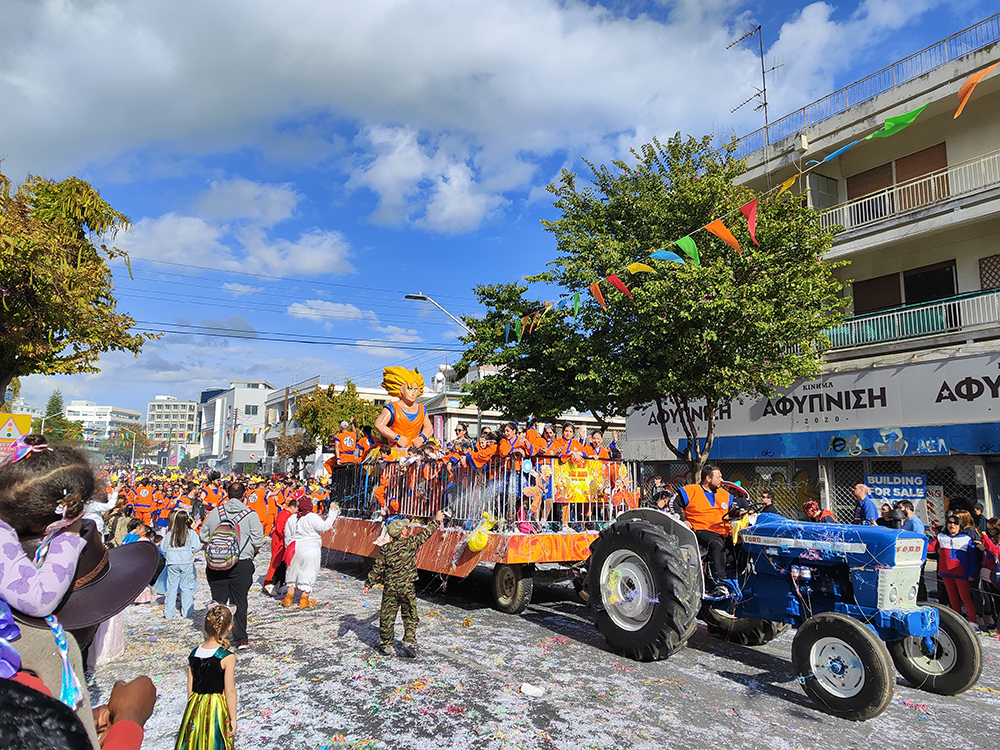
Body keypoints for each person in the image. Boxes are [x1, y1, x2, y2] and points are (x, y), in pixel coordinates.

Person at [363, 511, 445, 657]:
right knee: (410, 615)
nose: (408, 529)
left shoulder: (386, 549)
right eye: (405, 528)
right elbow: (427, 533)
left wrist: (368, 584)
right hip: (407, 587)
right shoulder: (411, 543)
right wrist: (437, 520)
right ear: (401, 533)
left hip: (390, 589)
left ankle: (387, 644)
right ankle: (409, 641)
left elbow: (377, 568)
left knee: (387, 616)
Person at [199, 482, 265, 651]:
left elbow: (203, 535)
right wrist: (251, 551)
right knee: (240, 601)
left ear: (227, 494)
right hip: (241, 562)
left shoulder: (215, 512)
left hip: (216, 563)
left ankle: (216, 637)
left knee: (218, 603)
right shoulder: (250, 514)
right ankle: (241, 639)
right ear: (244, 495)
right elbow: (258, 539)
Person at [175, 604, 237, 750]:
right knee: (215, 739)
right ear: (229, 627)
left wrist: (193, 707)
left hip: (196, 703)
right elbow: (230, 691)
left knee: (195, 741)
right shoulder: (227, 657)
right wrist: (233, 718)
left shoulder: (194, 653)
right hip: (216, 705)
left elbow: (190, 686)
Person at [672, 465, 734, 597]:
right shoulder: (691, 490)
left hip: (723, 530)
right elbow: (674, 503)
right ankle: (721, 583)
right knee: (716, 543)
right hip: (700, 529)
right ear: (708, 478)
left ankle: (736, 578)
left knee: (739, 545)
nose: (721, 480)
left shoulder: (725, 495)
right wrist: (683, 519)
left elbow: (734, 509)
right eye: (718, 477)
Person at [281, 497, 338, 609]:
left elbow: (287, 535)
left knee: (292, 572)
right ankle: (304, 600)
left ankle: (288, 598)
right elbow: (325, 526)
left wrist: (289, 547)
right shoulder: (312, 517)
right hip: (311, 548)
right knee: (308, 571)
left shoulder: (292, 518)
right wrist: (333, 513)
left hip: (294, 547)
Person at [928, 513, 980, 629]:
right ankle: (958, 619)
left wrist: (972, 573)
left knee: (965, 597)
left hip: (961, 572)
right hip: (946, 572)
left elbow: (972, 558)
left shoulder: (966, 539)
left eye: (955, 523)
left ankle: (973, 621)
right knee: (952, 597)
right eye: (950, 523)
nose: (952, 525)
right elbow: (931, 547)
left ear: (960, 526)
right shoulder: (941, 537)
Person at [374, 366, 433, 449]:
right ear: (401, 389)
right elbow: (379, 425)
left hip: (414, 453)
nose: (413, 393)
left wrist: (422, 438)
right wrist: (396, 437)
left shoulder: (422, 410)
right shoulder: (392, 408)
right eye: (409, 389)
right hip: (395, 453)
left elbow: (429, 427)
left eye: (415, 390)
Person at [161, 510, 200, 620]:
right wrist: (190, 550)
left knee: (171, 588)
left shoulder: (170, 534)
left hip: (172, 562)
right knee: (186, 587)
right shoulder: (191, 533)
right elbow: (197, 546)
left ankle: (169, 612)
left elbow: (163, 548)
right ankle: (187, 611)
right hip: (186, 562)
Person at [262, 497, 295, 598]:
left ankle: (280, 583)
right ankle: (269, 583)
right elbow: (281, 529)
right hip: (279, 542)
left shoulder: (288, 514)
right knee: (276, 563)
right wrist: (288, 537)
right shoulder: (284, 514)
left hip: (284, 541)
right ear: (292, 507)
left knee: (284, 563)